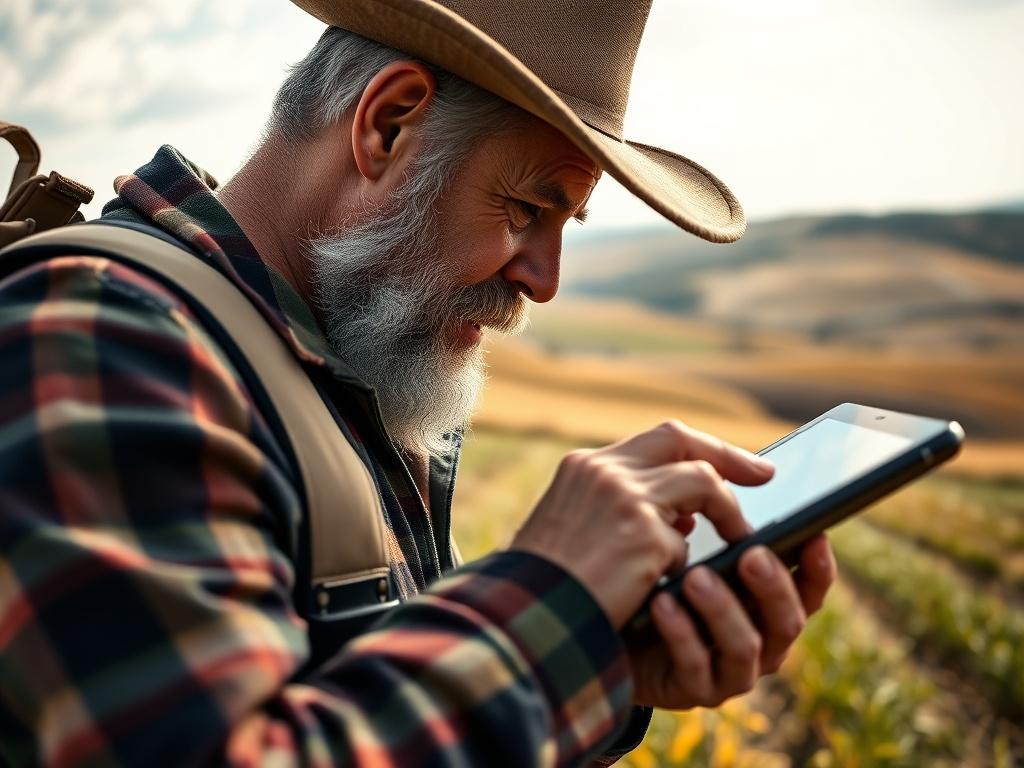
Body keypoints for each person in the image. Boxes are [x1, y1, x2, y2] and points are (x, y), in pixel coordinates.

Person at [0, 1, 835, 765]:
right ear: (389, 125)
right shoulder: (102, 338)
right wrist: (543, 612)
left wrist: (600, 651)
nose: (543, 281)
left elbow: (355, 702)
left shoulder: (329, 365)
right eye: (524, 209)